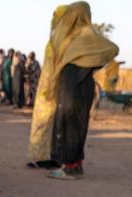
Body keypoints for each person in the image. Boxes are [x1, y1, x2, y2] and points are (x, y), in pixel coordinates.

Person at [44, 2, 118, 179]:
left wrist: (87, 63)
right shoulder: (79, 35)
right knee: (78, 124)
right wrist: (92, 64)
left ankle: (69, 167)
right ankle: (76, 165)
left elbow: (112, 49)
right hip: (82, 84)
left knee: (70, 123)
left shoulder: (85, 35)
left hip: (74, 85)